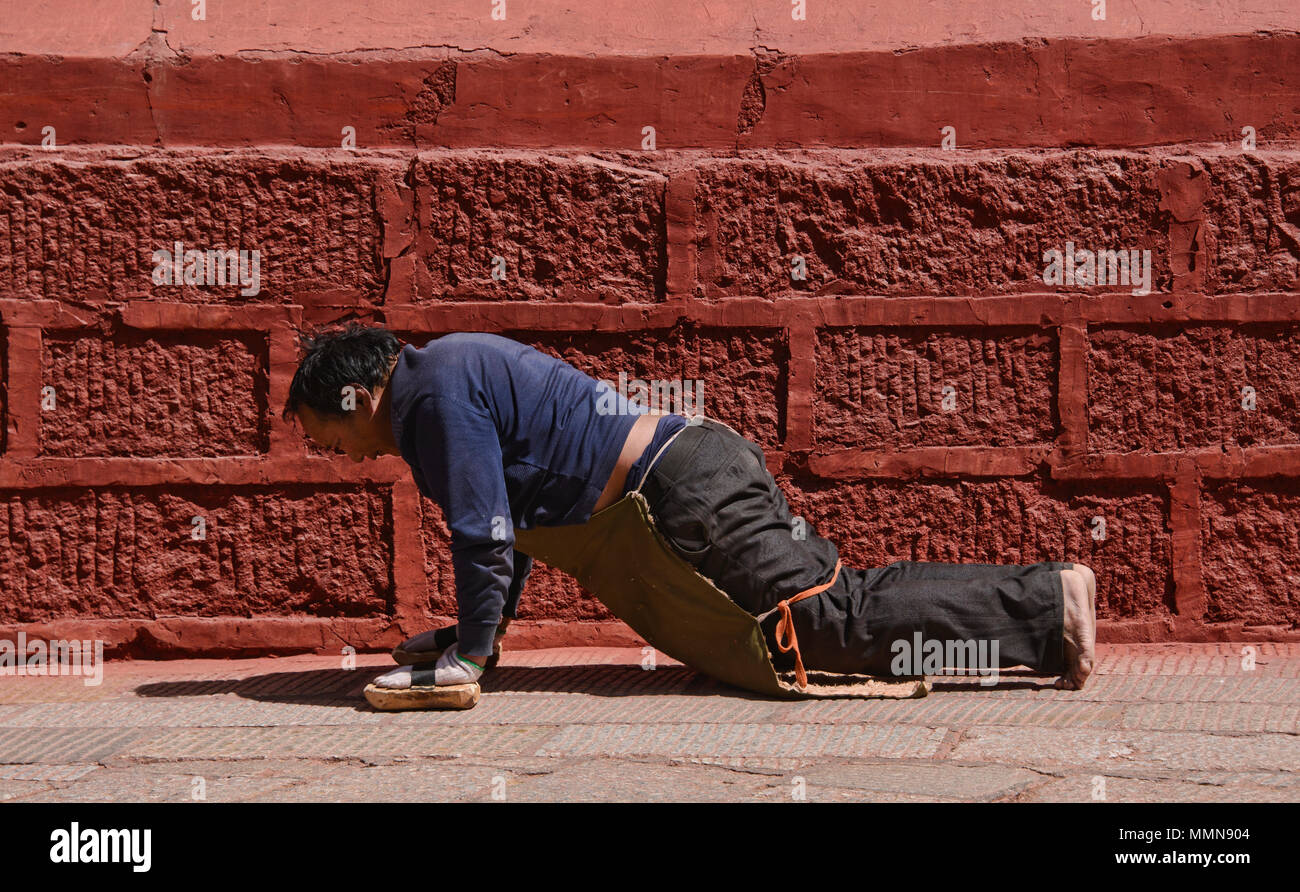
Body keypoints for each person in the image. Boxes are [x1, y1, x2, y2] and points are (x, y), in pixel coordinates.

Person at [281, 324, 1097, 692]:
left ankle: (1046, 603)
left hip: (686, 490)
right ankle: (1041, 614)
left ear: (356, 395)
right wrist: (473, 637)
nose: (341, 457)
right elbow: (514, 531)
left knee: (824, 620)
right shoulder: (443, 377)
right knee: (821, 625)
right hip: (688, 475)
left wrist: (472, 663)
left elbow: (484, 534)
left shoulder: (433, 396)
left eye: (329, 438)